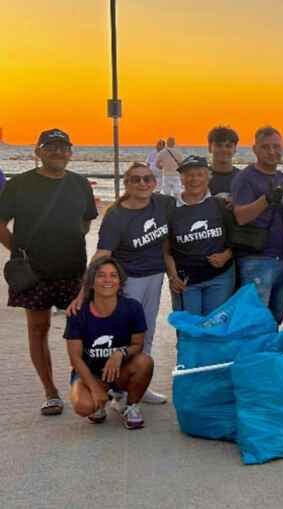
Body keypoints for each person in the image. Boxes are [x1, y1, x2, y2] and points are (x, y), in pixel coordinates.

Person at [0, 128, 98, 416]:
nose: (57, 152)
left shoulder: (80, 184)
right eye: (50, 146)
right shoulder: (20, 184)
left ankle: (81, 385)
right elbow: (0, 224)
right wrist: (18, 252)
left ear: (70, 151)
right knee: (38, 329)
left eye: (63, 147)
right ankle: (51, 392)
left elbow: (86, 221)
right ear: (38, 151)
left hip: (73, 270)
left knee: (82, 330)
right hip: (34, 272)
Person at [68, 162, 173, 405]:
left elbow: (192, 203)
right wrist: (84, 291)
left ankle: (139, 383)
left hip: (155, 277)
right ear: (126, 183)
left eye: (147, 178)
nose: (142, 183)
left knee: (146, 332)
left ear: (154, 182)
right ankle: (119, 391)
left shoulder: (162, 203)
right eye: (135, 179)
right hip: (130, 280)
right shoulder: (117, 215)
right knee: (126, 335)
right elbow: (102, 253)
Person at [65, 257, 153, 429]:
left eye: (113, 276)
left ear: (120, 282)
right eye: (101, 275)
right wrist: (94, 388)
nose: (108, 280)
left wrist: (120, 353)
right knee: (83, 406)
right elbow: (75, 358)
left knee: (145, 362)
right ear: (91, 283)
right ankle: (99, 399)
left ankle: (131, 405)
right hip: (91, 372)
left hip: (120, 370)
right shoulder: (78, 312)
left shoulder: (132, 308)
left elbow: (138, 344)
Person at [231, 126, 283, 325]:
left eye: (276, 146)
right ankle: (255, 357)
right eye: (266, 147)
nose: (272, 151)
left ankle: (267, 357)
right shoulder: (245, 177)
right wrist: (266, 199)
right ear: (255, 149)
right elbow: (240, 216)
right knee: (255, 321)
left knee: (275, 319)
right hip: (256, 259)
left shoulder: (280, 176)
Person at [163, 156, 236, 315]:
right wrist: (172, 276)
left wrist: (226, 255)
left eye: (199, 174)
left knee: (214, 329)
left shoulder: (220, 204)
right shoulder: (171, 209)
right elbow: (166, 251)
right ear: (181, 179)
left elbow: (236, 237)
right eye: (189, 175)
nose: (194, 179)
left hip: (220, 278)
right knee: (189, 330)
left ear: (208, 178)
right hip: (186, 281)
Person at [207, 126, 240, 198]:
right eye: (218, 145)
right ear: (209, 148)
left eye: (228, 146)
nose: (224, 150)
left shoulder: (243, 178)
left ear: (235, 149)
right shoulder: (200, 178)